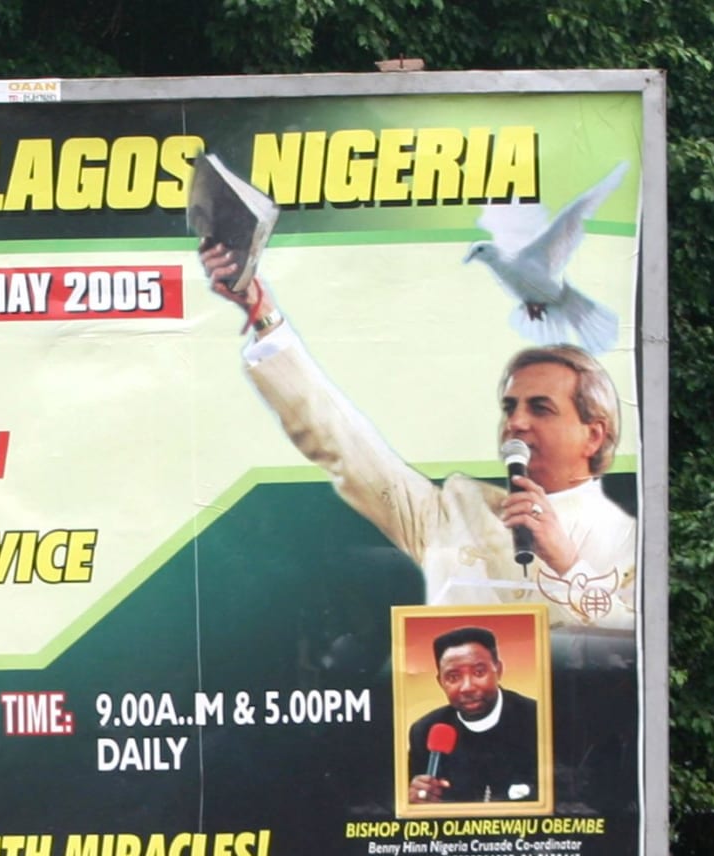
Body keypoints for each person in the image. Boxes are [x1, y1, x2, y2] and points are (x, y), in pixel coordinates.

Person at [201, 244, 635, 632]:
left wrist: (566, 562)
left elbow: (634, 650)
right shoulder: (457, 513)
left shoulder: (627, 540)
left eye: (540, 408)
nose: (516, 423)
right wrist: (265, 318)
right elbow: (348, 447)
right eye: (510, 408)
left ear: (593, 435)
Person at [406, 626, 541, 806]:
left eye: (479, 672)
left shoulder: (539, 720)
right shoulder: (425, 731)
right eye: (453, 677)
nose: (467, 687)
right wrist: (416, 800)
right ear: (441, 682)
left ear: (498, 670)